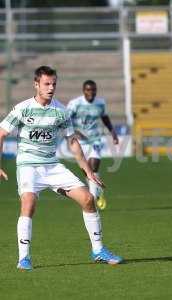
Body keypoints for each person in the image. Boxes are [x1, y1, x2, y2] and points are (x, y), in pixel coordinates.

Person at [0, 66, 123, 270]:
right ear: (36, 84)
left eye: (54, 84)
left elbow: (72, 142)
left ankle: (98, 250)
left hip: (52, 165)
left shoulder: (61, 111)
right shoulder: (23, 108)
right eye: (47, 84)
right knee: (28, 203)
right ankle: (24, 258)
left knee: (87, 198)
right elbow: (1, 133)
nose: (51, 88)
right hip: (28, 165)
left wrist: (88, 171)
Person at [67, 80, 119, 210]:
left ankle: (93, 197)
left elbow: (105, 118)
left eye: (93, 90)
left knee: (93, 166)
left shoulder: (100, 103)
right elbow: (65, 120)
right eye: (88, 90)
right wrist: (75, 132)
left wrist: (113, 133)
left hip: (95, 139)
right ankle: (99, 192)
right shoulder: (75, 104)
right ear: (84, 90)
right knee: (86, 171)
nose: (91, 92)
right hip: (80, 142)